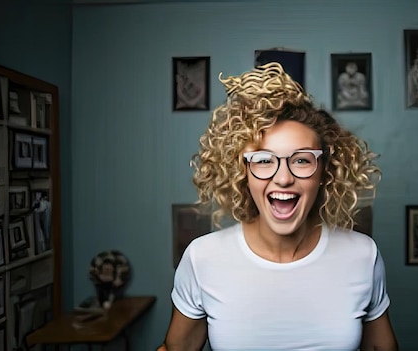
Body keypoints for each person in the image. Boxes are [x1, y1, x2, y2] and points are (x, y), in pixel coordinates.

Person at [162, 63, 399, 350]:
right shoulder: (203, 259)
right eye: (264, 161)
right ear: (243, 172)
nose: (283, 178)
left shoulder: (363, 255)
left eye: (301, 160)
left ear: (325, 171)